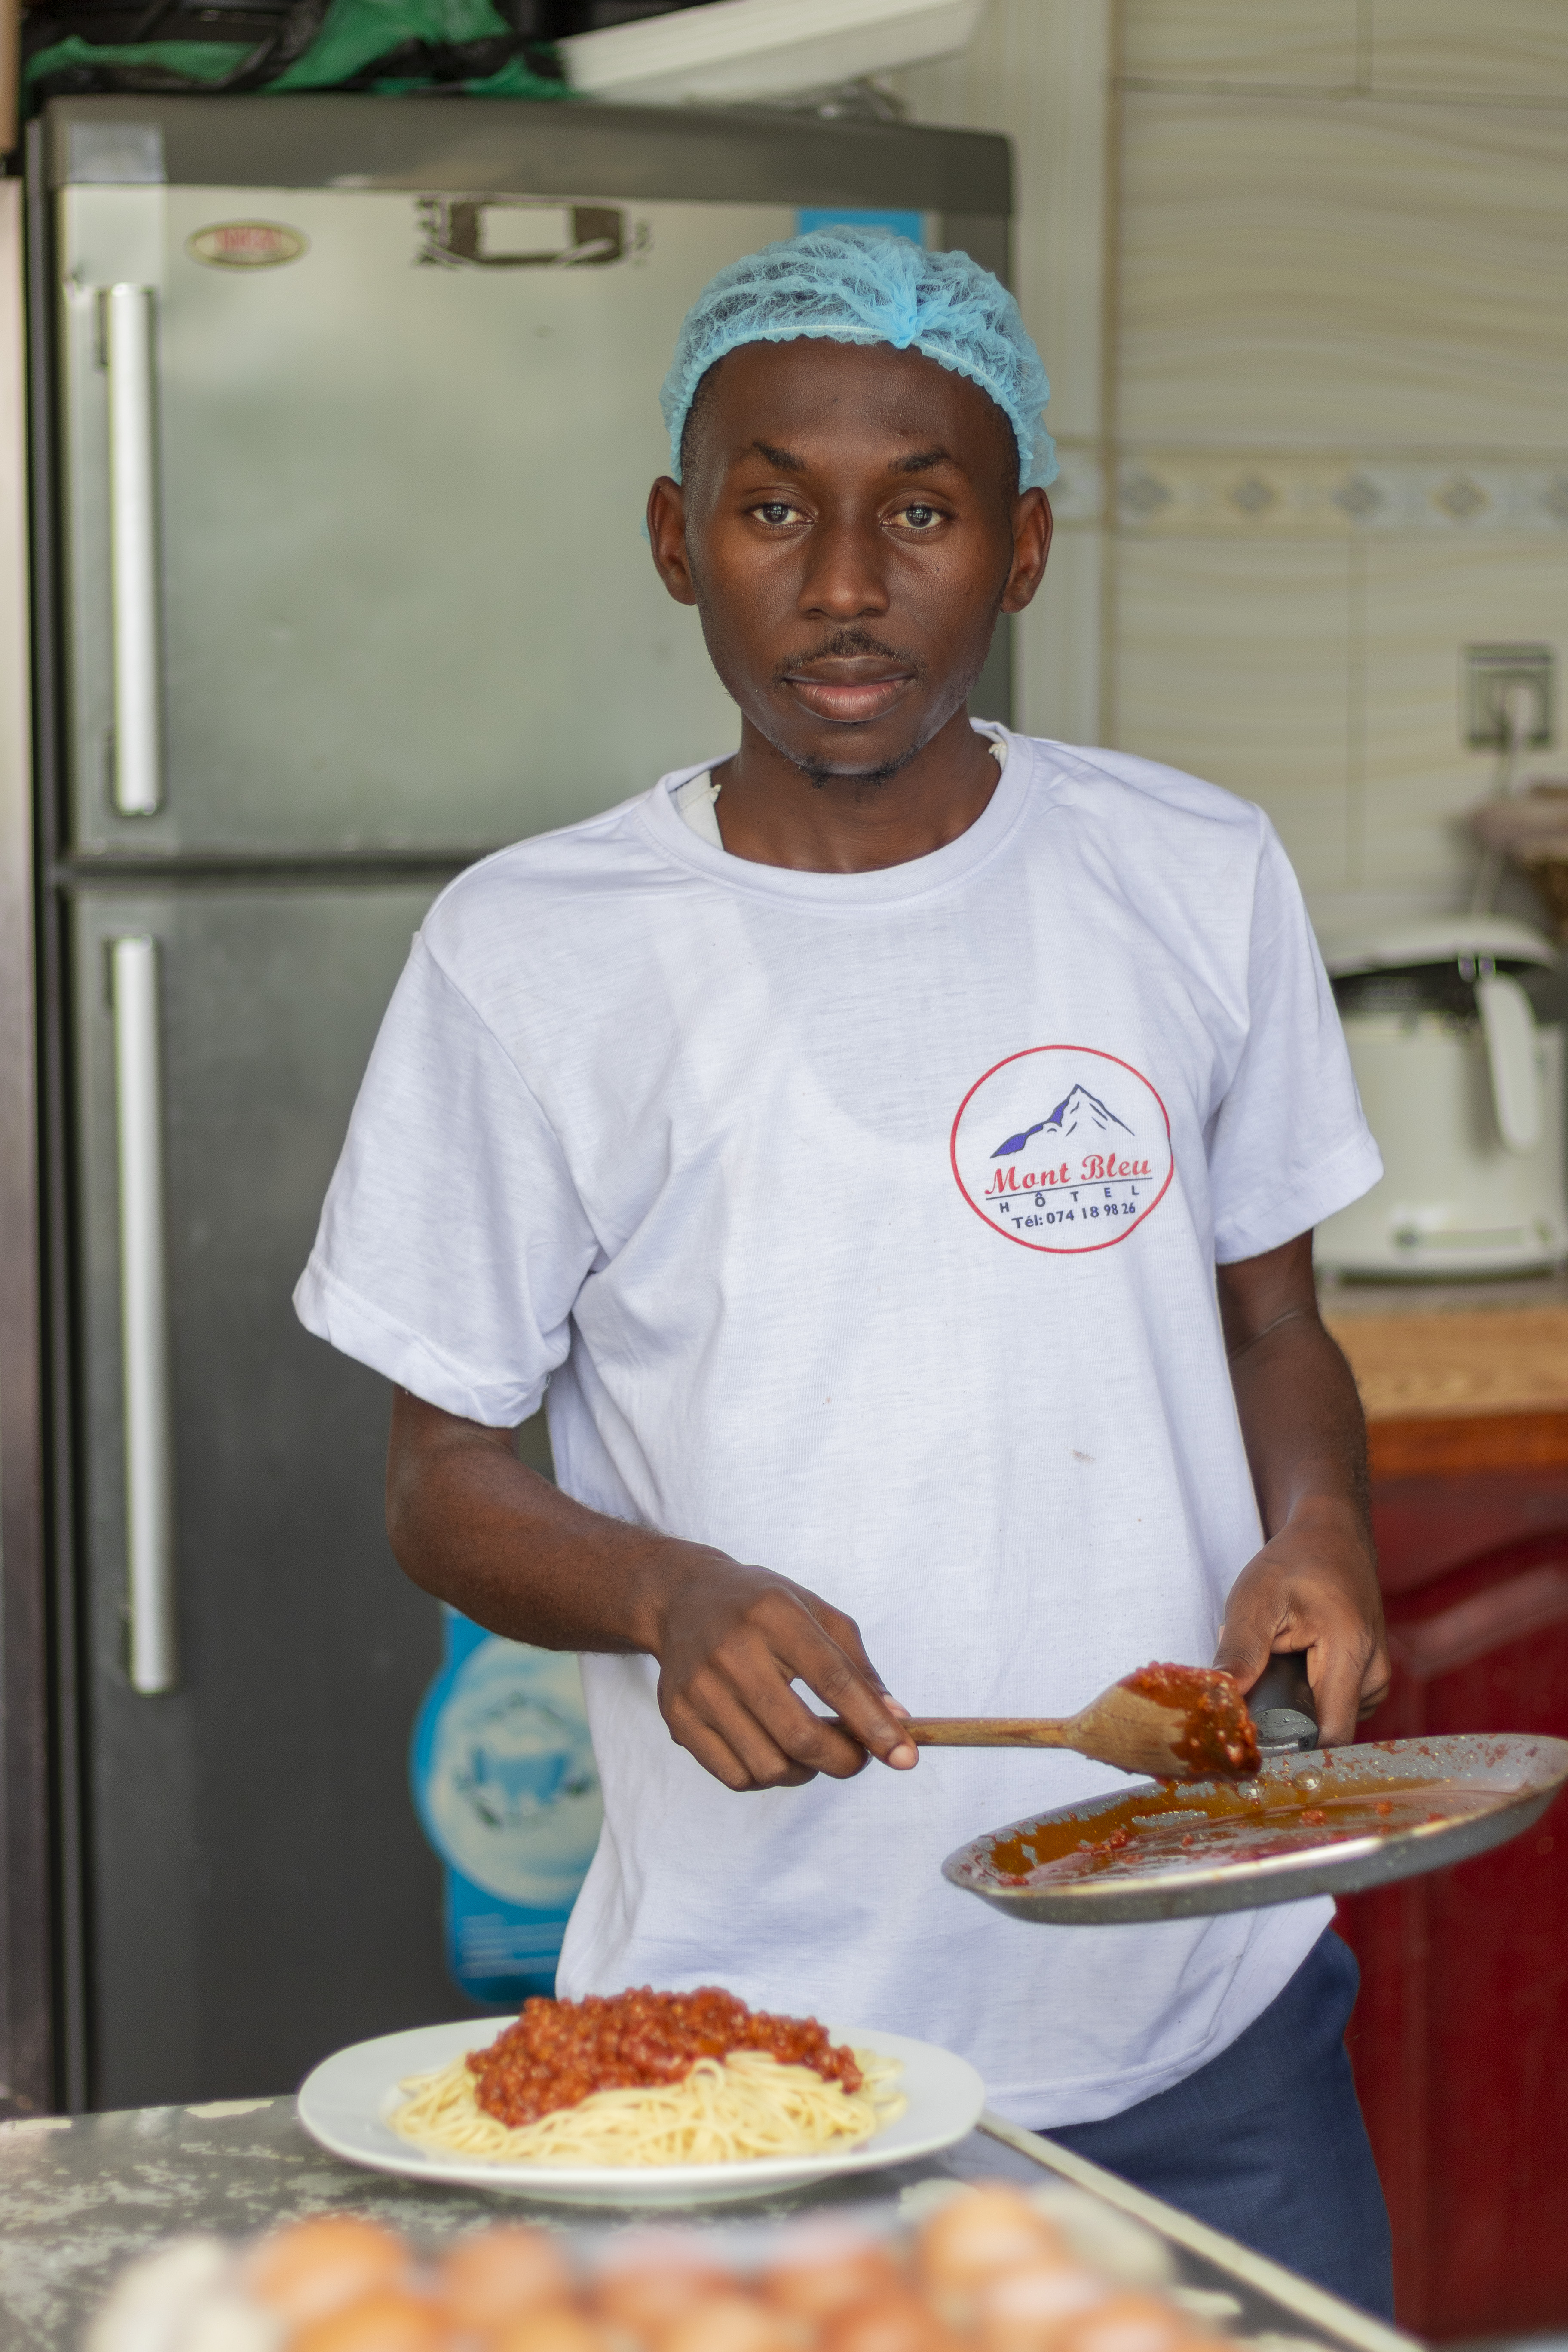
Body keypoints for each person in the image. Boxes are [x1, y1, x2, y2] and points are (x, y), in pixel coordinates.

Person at [295, 228, 1393, 2311]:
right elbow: (438, 1469)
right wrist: (663, 1592)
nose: (845, 579)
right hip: (752, 2055)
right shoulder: (536, 951)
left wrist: (1319, 1526)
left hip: (1201, 2022)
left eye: (924, 508)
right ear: (673, 537)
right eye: (772, 503)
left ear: (1029, 547)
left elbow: (1275, 1326)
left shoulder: (1193, 877)